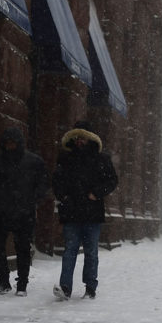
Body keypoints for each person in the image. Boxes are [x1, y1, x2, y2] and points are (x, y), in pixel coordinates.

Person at [51, 121, 118, 300]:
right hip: (71, 212)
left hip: (92, 213)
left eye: (83, 137)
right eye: (77, 137)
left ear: (90, 138)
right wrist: (63, 196)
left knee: (90, 252)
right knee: (70, 250)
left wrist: (96, 193)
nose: (80, 140)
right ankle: (65, 287)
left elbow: (112, 181)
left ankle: (90, 288)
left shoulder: (102, 159)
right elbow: (56, 180)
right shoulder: (65, 158)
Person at [0, 127, 49, 296]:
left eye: (13, 143)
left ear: (19, 143)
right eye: (7, 143)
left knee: (23, 249)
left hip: (24, 213)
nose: (10, 146)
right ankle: (3, 281)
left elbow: (43, 184)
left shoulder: (33, 162)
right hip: (2, 212)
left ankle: (22, 284)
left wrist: (33, 199)